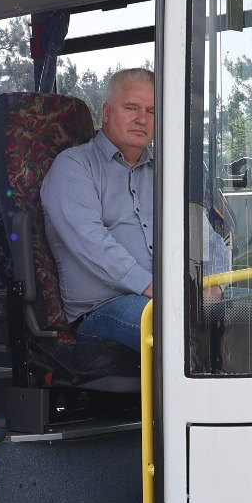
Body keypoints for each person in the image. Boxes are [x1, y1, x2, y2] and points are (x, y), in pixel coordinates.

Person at [40, 67, 160, 350]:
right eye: (131, 107)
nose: (142, 119)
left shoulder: (166, 173)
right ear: (106, 113)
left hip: (172, 297)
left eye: (152, 111)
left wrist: (215, 282)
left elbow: (199, 230)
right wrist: (154, 288)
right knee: (177, 327)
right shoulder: (73, 166)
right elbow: (91, 242)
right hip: (103, 309)